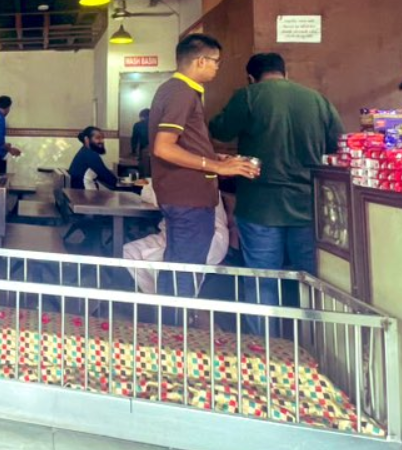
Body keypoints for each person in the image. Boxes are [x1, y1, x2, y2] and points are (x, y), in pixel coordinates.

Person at [209, 53, 343, 335]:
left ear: (251, 77)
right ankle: (316, 345)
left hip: (261, 206)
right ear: (284, 71)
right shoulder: (317, 99)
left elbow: (220, 130)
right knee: (310, 280)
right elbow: (337, 144)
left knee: (262, 280)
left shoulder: (249, 96)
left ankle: (267, 350)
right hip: (308, 205)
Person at [149, 34, 258, 308]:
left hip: (182, 196)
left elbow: (181, 144)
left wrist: (213, 155)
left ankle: (170, 328)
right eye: (216, 62)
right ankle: (177, 338)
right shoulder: (181, 93)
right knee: (185, 269)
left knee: (176, 264)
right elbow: (164, 147)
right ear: (200, 61)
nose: (217, 67)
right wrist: (216, 166)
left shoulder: (174, 90)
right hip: (189, 199)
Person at [125, 182, 230, 295]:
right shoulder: (172, 179)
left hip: (208, 239)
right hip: (172, 235)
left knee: (161, 263)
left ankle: (176, 304)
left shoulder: (196, 181)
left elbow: (152, 196)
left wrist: (150, 186)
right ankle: (160, 300)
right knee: (129, 252)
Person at [68, 126, 122, 190]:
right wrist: (123, 182)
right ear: (87, 139)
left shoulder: (84, 152)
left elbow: (103, 174)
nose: (102, 141)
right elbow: (109, 178)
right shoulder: (90, 155)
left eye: (102, 138)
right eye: (98, 138)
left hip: (80, 194)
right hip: (85, 196)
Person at [131, 108, 151, 177]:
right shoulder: (157, 124)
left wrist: (133, 151)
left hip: (143, 150)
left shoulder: (138, 125)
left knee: (143, 171)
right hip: (156, 152)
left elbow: (134, 139)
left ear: (142, 116)